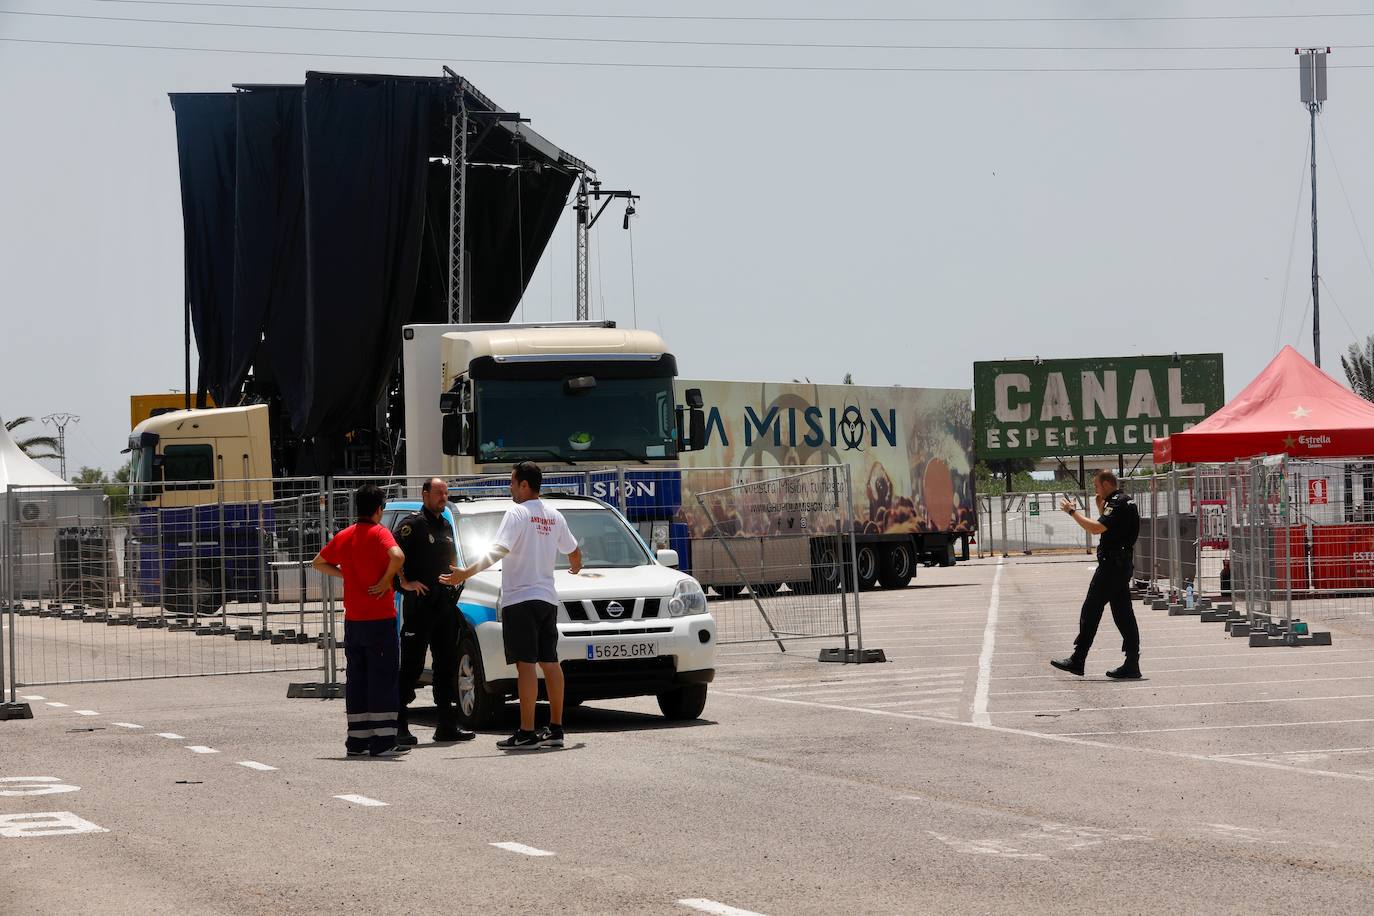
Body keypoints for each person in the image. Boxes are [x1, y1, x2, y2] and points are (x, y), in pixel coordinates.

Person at [442, 462, 582, 750]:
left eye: (512, 482)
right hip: (546, 598)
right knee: (551, 662)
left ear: (524, 485)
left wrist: (465, 574)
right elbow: (574, 551)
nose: (510, 488)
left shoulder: (517, 512)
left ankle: (527, 732)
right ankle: (556, 729)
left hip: (520, 598)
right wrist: (575, 568)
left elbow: (498, 550)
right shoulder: (554, 515)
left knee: (526, 666)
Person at [312, 484, 410, 757]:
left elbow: (318, 562)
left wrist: (346, 575)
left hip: (353, 620)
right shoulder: (380, 533)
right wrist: (384, 580)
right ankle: (383, 741)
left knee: (358, 679)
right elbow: (398, 556)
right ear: (379, 509)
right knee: (383, 678)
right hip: (379, 619)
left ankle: (357, 741)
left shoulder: (344, 535)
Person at [395, 477, 475, 744]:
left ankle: (446, 725)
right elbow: (391, 555)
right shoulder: (412, 524)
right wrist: (403, 583)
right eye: (439, 492)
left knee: (445, 666)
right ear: (425, 494)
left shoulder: (445, 524)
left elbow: (451, 561)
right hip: (420, 607)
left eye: (446, 493)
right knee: (411, 667)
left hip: (444, 607)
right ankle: (399, 725)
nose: (444, 497)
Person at [1051, 469, 1143, 679]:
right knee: (1123, 614)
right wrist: (1100, 502)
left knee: (1091, 608)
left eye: (1097, 486)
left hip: (1112, 566)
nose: (1096, 490)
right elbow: (1109, 525)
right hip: (1121, 564)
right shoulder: (1125, 501)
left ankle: (1078, 658)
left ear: (1108, 484)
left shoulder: (1117, 503)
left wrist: (1072, 512)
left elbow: (1096, 528)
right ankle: (1132, 662)